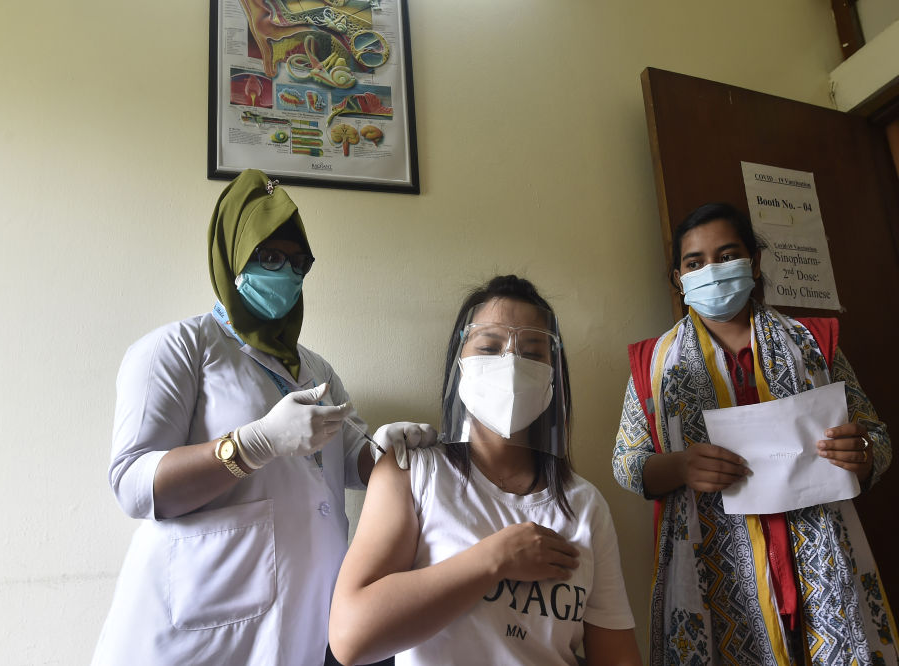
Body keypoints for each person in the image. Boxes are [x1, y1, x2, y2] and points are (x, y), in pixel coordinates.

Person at [92, 169, 436, 665]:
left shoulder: (315, 369)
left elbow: (350, 459)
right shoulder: (177, 350)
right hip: (197, 633)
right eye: (269, 256)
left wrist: (383, 449)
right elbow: (134, 483)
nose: (286, 274)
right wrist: (253, 445)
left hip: (305, 625)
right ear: (231, 255)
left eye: (297, 263)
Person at [612, 202, 896, 665]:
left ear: (754, 262)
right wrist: (680, 466)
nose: (712, 271)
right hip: (715, 572)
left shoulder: (813, 343)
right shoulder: (653, 364)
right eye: (695, 263)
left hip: (819, 560)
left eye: (727, 256)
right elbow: (627, 462)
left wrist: (862, 452)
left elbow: (876, 437)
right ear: (679, 278)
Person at [329, 275, 641, 666]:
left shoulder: (584, 504)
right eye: (490, 348)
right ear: (460, 363)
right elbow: (350, 638)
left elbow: (618, 656)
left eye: (532, 352)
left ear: (553, 374)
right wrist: (495, 559)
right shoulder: (411, 471)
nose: (511, 364)